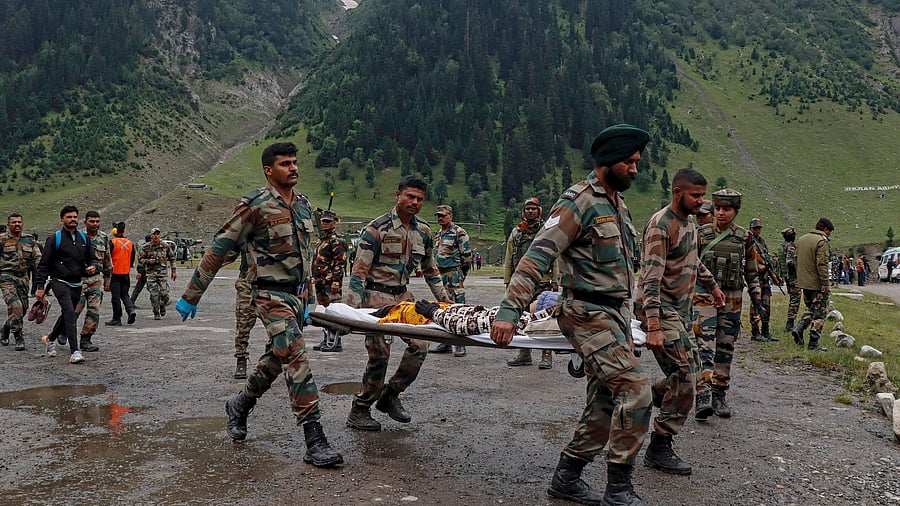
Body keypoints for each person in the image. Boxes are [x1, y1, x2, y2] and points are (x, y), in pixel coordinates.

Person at [490, 124, 652, 505]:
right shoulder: (577, 201)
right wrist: (509, 311)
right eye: (629, 162)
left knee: (606, 398)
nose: (635, 169)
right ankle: (619, 488)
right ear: (608, 161)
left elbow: (624, 275)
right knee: (636, 391)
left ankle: (567, 477)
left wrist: (626, 325)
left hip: (612, 316)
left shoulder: (617, 205)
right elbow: (536, 257)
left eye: (637, 162)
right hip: (584, 311)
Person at [175, 141, 343, 468]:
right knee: (295, 353)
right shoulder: (255, 206)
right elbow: (220, 247)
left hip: (296, 296)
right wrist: (191, 294)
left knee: (275, 359)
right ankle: (314, 438)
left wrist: (308, 298)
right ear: (269, 170)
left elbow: (306, 259)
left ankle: (240, 404)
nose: (293, 168)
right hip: (267, 294)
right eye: (285, 163)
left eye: (295, 162)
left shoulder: (306, 206)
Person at [635, 168, 725, 476]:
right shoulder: (661, 225)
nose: (701, 202)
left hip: (680, 310)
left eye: (703, 196)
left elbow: (691, 258)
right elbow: (651, 277)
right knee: (686, 377)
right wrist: (654, 325)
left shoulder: (689, 222)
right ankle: (659, 446)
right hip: (660, 309)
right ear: (677, 192)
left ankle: (637, 396)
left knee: (688, 374)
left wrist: (712, 286)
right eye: (696, 195)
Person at [345, 175, 452, 432]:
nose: (414, 202)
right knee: (380, 354)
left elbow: (431, 270)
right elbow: (359, 272)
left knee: (420, 345)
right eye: (410, 197)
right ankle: (360, 409)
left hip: (403, 297)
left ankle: (391, 394)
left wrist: (447, 304)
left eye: (420, 199)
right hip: (375, 297)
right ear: (398, 195)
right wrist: (350, 311)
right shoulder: (376, 229)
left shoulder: (424, 232)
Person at [692, 189, 764, 420]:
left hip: (732, 297)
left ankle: (719, 394)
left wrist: (757, 300)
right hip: (704, 297)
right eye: (718, 208)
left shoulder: (744, 238)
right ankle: (702, 394)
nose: (721, 213)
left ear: (736, 211)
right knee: (703, 345)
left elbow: (751, 272)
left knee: (725, 347)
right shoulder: (700, 234)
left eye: (727, 209)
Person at [34, 206, 99, 364]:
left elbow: (92, 258)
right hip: (59, 281)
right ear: (62, 220)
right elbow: (43, 265)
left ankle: (50, 339)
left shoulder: (84, 239)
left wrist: (93, 266)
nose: (73, 220)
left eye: (75, 217)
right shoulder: (54, 239)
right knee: (70, 312)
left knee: (67, 314)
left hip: (77, 282)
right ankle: (75, 351)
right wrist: (40, 287)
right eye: (69, 217)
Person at [503, 197, 559, 370]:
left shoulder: (546, 231)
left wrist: (555, 280)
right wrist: (508, 281)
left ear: (539, 211)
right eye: (527, 209)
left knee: (543, 317)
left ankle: (546, 354)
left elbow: (554, 257)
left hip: (542, 282)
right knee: (521, 317)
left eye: (533, 209)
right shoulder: (516, 233)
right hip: (521, 282)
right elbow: (509, 258)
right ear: (523, 211)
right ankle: (524, 352)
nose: (530, 211)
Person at [429, 204, 473, 357]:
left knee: (458, 307)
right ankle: (446, 341)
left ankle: (460, 343)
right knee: (444, 307)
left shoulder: (458, 232)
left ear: (450, 216)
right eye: (438, 216)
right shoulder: (439, 233)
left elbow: (466, 256)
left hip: (454, 274)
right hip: (440, 275)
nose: (440, 218)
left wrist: (461, 274)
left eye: (443, 215)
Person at [0, 213, 42, 351]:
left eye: (19, 222)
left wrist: (42, 272)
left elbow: (38, 258)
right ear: (8, 225)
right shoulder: (2, 240)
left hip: (23, 278)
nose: (16, 224)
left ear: (22, 224)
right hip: (6, 276)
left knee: (22, 309)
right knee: (15, 306)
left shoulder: (29, 240)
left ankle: (6, 328)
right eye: (13, 222)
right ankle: (18, 335)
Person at [791, 218, 835, 351]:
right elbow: (822, 264)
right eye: (830, 232)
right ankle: (813, 343)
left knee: (810, 307)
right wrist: (825, 283)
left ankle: (799, 328)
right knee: (820, 312)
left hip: (804, 282)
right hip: (817, 283)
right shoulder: (821, 241)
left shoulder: (802, 239)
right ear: (825, 229)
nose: (830, 235)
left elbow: (795, 260)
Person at [72, 211, 112, 352]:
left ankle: (86, 339)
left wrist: (107, 279)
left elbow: (107, 259)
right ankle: (64, 330)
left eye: (97, 221)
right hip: (78, 279)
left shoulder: (104, 237)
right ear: (85, 222)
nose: (95, 224)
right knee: (75, 309)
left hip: (96, 279)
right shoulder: (77, 237)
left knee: (94, 310)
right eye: (91, 221)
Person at [310, 209, 348, 353]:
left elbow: (340, 263)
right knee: (324, 313)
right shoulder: (322, 240)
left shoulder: (337, 241)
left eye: (328, 221)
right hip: (320, 282)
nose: (324, 224)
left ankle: (336, 341)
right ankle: (327, 339)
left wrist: (336, 281)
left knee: (333, 312)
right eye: (323, 221)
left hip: (330, 283)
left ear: (334, 223)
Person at [746, 218, 777, 342]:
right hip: (755, 277)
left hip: (764, 278)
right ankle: (755, 331)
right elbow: (748, 258)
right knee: (756, 304)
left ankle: (765, 331)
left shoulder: (762, 242)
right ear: (751, 229)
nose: (757, 230)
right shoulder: (749, 241)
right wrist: (758, 266)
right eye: (755, 228)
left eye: (759, 228)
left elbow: (765, 258)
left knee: (767, 304)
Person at [139, 228, 176, 320]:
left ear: (160, 235)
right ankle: (156, 312)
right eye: (154, 234)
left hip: (162, 273)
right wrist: (148, 261)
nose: (156, 236)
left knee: (165, 294)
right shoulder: (146, 247)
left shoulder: (165, 246)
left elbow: (172, 258)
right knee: (154, 294)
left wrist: (174, 271)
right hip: (151, 274)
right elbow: (140, 259)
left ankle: (162, 305)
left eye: (157, 234)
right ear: (151, 236)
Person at [231, 250, 257, 379]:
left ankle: (275, 362)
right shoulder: (244, 231)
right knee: (243, 323)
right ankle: (241, 359)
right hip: (247, 282)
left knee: (277, 326)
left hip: (272, 283)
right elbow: (224, 253)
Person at [107, 222, 137, 326]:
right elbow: (132, 258)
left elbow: (107, 258)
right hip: (125, 273)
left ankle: (117, 318)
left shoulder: (112, 242)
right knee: (124, 294)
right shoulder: (130, 243)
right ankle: (130, 311)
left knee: (115, 297)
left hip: (115, 273)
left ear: (115, 231)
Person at [779, 227, 802, 332]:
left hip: (787, 276)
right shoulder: (791, 246)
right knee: (795, 299)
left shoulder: (782, 246)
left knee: (793, 299)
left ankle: (790, 323)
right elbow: (789, 261)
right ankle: (790, 324)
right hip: (793, 277)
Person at [130, 234, 150, 304]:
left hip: (143, 270)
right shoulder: (146, 248)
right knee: (152, 287)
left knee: (138, 288)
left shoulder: (142, 247)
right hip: (145, 271)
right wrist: (140, 272)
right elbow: (141, 261)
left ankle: (131, 301)